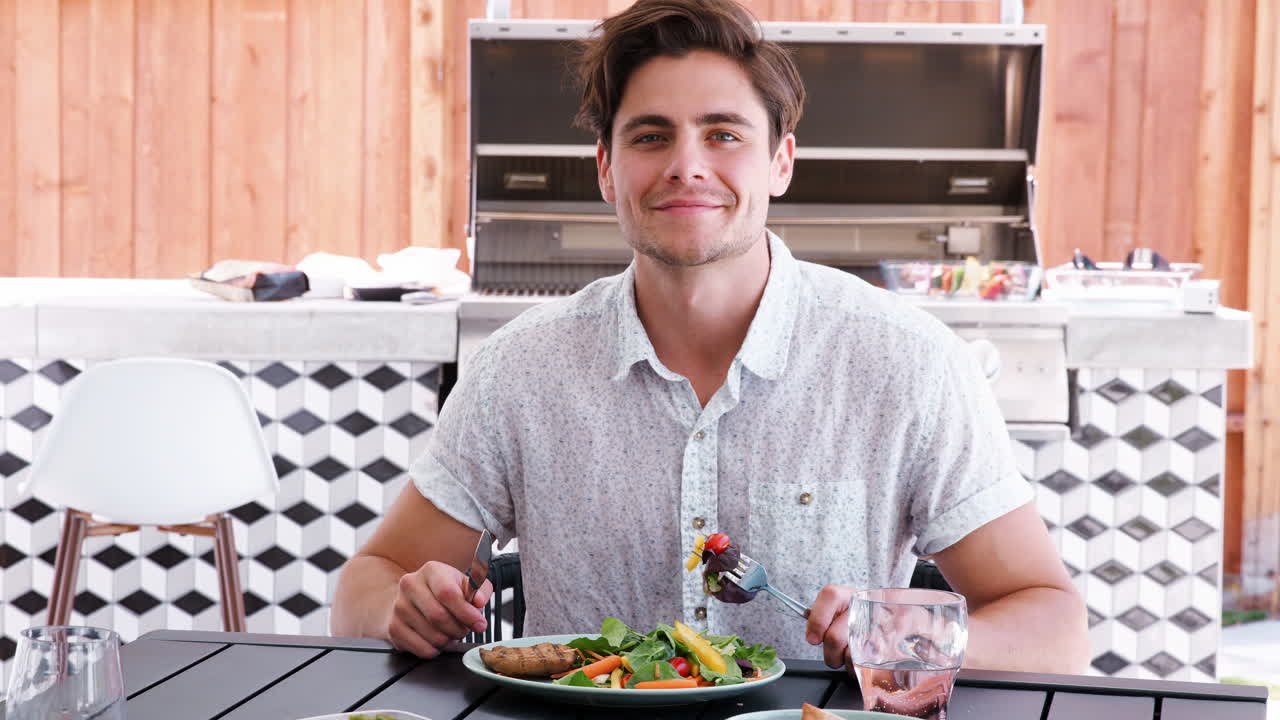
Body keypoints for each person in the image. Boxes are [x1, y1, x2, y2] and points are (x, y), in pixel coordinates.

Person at [331, 0, 1088, 673]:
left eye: (723, 134)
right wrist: (400, 607)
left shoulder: (906, 363)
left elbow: (1052, 622)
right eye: (651, 136)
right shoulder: (521, 370)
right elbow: (369, 582)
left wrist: (915, 641)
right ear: (606, 169)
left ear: (780, 161)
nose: (686, 166)